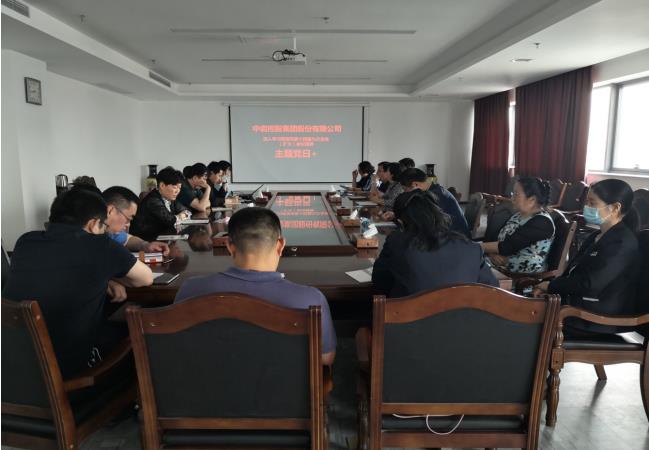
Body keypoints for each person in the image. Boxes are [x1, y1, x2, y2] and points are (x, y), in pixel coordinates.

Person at [2, 188, 153, 377]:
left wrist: (106, 280)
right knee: (139, 335)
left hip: (13, 368)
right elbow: (146, 278)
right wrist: (108, 276)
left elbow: (61, 270)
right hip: (69, 374)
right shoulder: (100, 246)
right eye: (103, 226)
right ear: (94, 224)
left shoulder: (26, 241)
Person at [174, 207, 336, 365]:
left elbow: (177, 348)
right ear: (280, 245)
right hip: (280, 383)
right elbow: (325, 358)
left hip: (206, 381)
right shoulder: (310, 299)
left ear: (229, 246)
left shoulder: (191, 289)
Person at [534, 179, 640, 335]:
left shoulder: (622, 242)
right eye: (587, 202)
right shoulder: (597, 235)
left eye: (592, 203)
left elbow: (590, 284)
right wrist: (552, 289)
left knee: (530, 327)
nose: (586, 207)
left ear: (615, 208)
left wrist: (551, 286)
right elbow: (573, 272)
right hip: (576, 306)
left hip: (595, 317)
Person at [372, 190, 498, 297]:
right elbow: (493, 289)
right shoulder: (472, 248)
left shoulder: (396, 242)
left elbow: (379, 283)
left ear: (401, 223)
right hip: (462, 317)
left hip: (408, 317)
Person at [481, 177, 554, 273]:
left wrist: (476, 247)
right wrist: (492, 254)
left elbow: (507, 247)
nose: (512, 198)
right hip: (500, 267)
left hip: (522, 276)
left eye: (516, 194)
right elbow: (496, 237)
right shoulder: (518, 216)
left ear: (532, 200)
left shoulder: (542, 222)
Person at [397, 168, 471, 237]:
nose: (405, 192)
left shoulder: (436, 195)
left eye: (405, 189)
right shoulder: (434, 190)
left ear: (415, 184)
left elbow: (425, 223)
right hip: (450, 235)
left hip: (458, 239)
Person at [102, 186, 170, 256]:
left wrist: (145, 245)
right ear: (111, 211)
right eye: (128, 219)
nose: (128, 225)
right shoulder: (95, 237)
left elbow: (127, 239)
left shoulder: (109, 231)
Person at [130, 167, 191, 241]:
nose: (177, 191)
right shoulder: (153, 200)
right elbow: (171, 221)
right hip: (145, 240)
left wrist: (181, 216)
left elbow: (187, 211)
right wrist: (180, 216)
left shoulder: (169, 198)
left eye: (179, 188)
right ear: (162, 185)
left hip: (161, 236)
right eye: (175, 187)